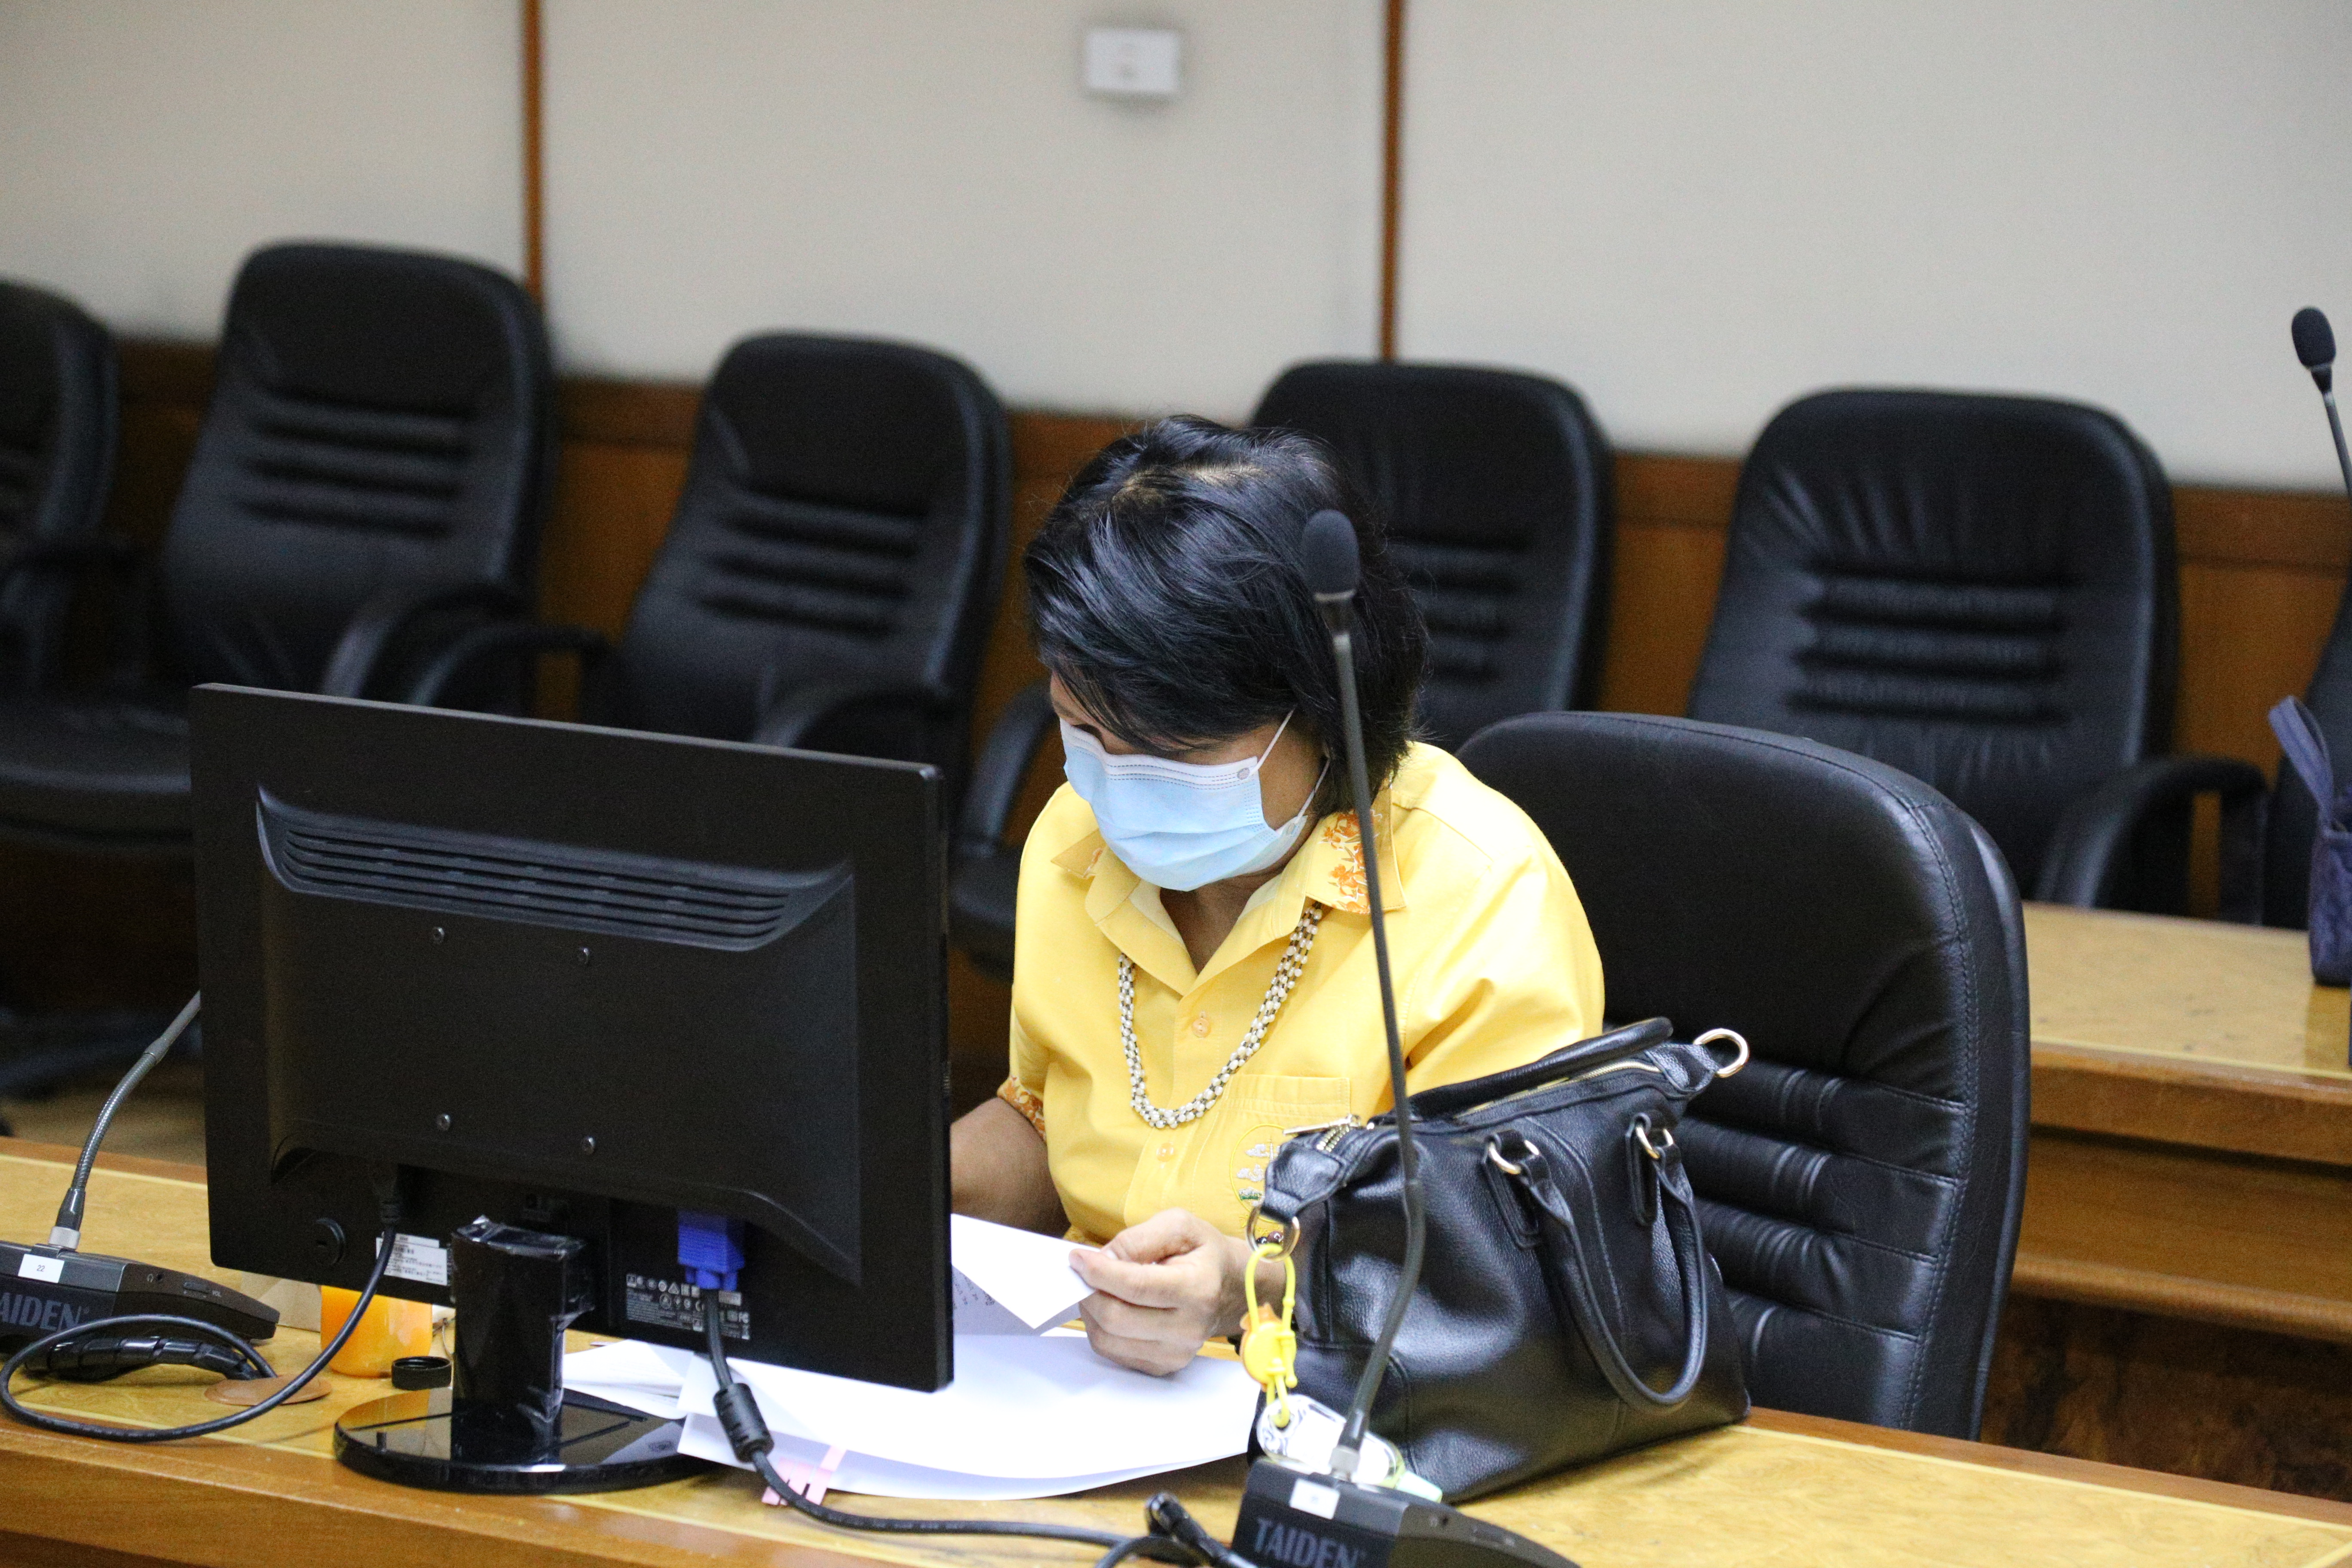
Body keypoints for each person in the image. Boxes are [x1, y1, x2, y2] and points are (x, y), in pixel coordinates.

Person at [949, 416, 1605, 1375]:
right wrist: (892, 1187)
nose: (1118, 783)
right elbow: (1053, 1121)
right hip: (1090, 1382)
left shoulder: (1478, 893)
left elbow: (1500, 1270)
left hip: (1352, 1408)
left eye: (1174, 753)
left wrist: (1247, 1287)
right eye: (1083, 730)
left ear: (1329, 709)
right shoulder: (1074, 839)